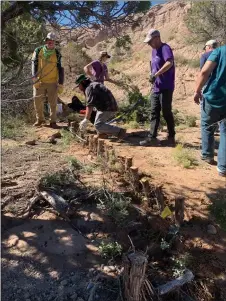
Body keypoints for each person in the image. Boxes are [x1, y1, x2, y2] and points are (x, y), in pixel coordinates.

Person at [194, 45, 226, 177]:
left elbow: (204, 71)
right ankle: (223, 168)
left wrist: (197, 90)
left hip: (213, 95)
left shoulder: (220, 51)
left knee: (207, 125)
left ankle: (207, 155)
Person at [140, 29, 176, 146]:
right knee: (154, 112)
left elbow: (169, 63)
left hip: (166, 87)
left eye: (150, 41)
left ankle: (171, 137)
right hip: (156, 87)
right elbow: (154, 67)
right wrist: (152, 75)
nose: (149, 44)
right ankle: (152, 138)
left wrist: (156, 74)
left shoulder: (165, 48)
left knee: (166, 112)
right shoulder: (153, 51)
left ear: (157, 38)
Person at [75, 74, 126, 139]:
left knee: (98, 125)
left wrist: (85, 119)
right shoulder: (93, 85)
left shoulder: (89, 88)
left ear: (83, 82)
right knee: (94, 118)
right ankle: (102, 134)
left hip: (107, 108)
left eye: (79, 85)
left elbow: (89, 105)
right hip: (106, 106)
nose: (79, 88)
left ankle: (120, 131)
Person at [32, 32, 64, 128]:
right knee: (37, 100)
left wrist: (61, 83)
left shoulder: (57, 54)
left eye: (52, 41)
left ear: (55, 43)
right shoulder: (38, 51)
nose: (50, 43)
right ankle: (40, 120)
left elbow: (60, 69)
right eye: (49, 41)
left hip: (52, 82)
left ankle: (53, 121)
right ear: (46, 41)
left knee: (53, 103)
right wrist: (34, 78)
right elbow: (34, 64)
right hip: (39, 81)